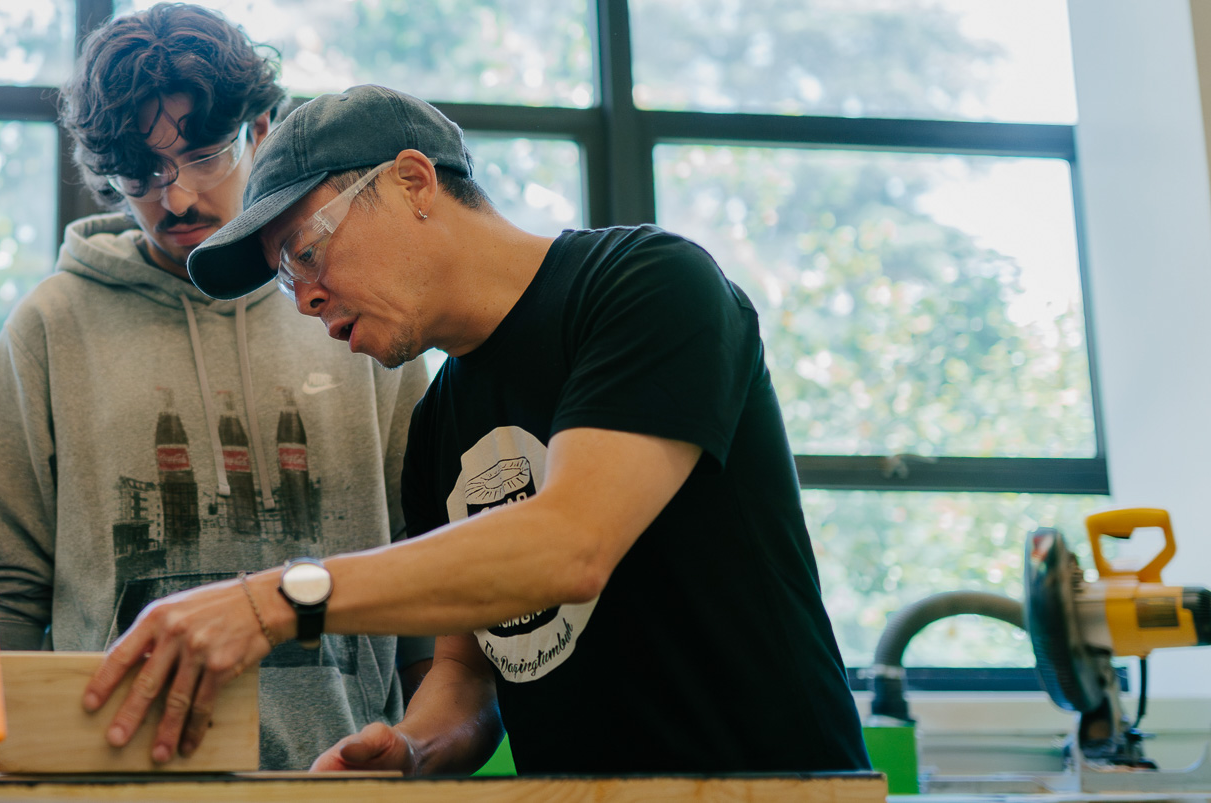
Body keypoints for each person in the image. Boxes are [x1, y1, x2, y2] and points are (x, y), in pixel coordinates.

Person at [79, 84, 872, 775]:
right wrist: (416, 747)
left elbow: (569, 545)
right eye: (287, 276)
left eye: (307, 252)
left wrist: (277, 600)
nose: (305, 299)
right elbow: (468, 672)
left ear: (413, 181)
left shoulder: (645, 287)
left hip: (772, 788)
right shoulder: (439, 424)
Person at [0, 5, 432, 771]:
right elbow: (11, 580)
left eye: (203, 154)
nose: (179, 197)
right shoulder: (51, 325)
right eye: (141, 174)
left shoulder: (357, 305)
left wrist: (424, 747)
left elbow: (426, 567)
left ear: (261, 129)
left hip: (341, 772)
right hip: (110, 774)